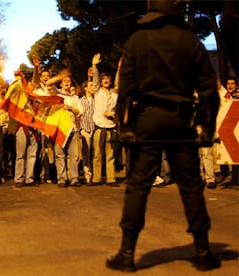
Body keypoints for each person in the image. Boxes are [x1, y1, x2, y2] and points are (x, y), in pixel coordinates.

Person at [106, 0, 221, 272]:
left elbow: (126, 91)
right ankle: (203, 252)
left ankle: (127, 252)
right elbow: (208, 91)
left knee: (138, 186)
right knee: (191, 187)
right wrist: (207, 127)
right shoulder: (190, 41)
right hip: (181, 122)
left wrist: (126, 128)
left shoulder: (137, 40)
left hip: (147, 121)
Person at [91, 54, 119, 186]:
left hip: (111, 128)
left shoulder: (114, 95)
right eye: (104, 79)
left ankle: (111, 178)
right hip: (99, 128)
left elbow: (118, 111)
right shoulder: (97, 92)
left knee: (110, 154)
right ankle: (96, 178)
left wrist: (112, 114)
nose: (106, 80)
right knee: (97, 154)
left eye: (108, 79)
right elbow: (95, 79)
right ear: (101, 82)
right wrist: (94, 66)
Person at [79, 80, 95, 184]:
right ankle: (87, 173)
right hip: (84, 129)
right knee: (86, 152)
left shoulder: (96, 100)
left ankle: (93, 173)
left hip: (94, 128)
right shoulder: (80, 101)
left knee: (93, 153)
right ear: (85, 88)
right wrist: (81, 130)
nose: (93, 87)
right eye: (90, 85)